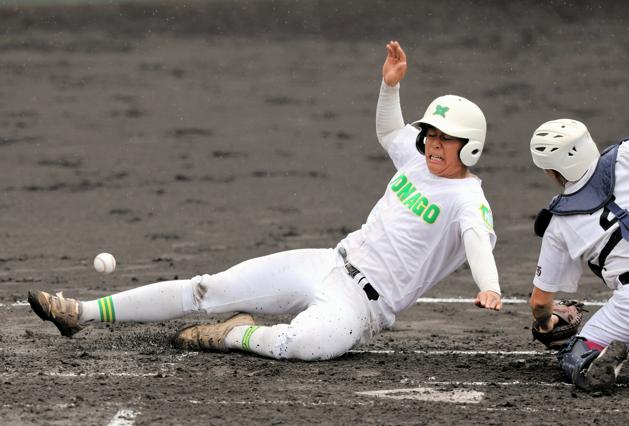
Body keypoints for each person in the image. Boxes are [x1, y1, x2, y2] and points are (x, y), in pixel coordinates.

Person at [28, 41, 502, 361]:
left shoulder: (467, 199)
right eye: (432, 135)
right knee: (206, 289)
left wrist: (490, 287)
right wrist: (390, 85)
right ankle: (82, 314)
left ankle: (233, 334)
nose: (434, 145)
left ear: (472, 146)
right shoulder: (418, 161)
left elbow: (477, 242)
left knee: (300, 345)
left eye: (447, 139)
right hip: (327, 264)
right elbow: (389, 132)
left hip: (364, 308)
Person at [529, 118, 629, 391]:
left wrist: (546, 324)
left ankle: (588, 364)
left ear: (550, 171)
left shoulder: (557, 224)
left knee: (573, 353)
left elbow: (540, 303)